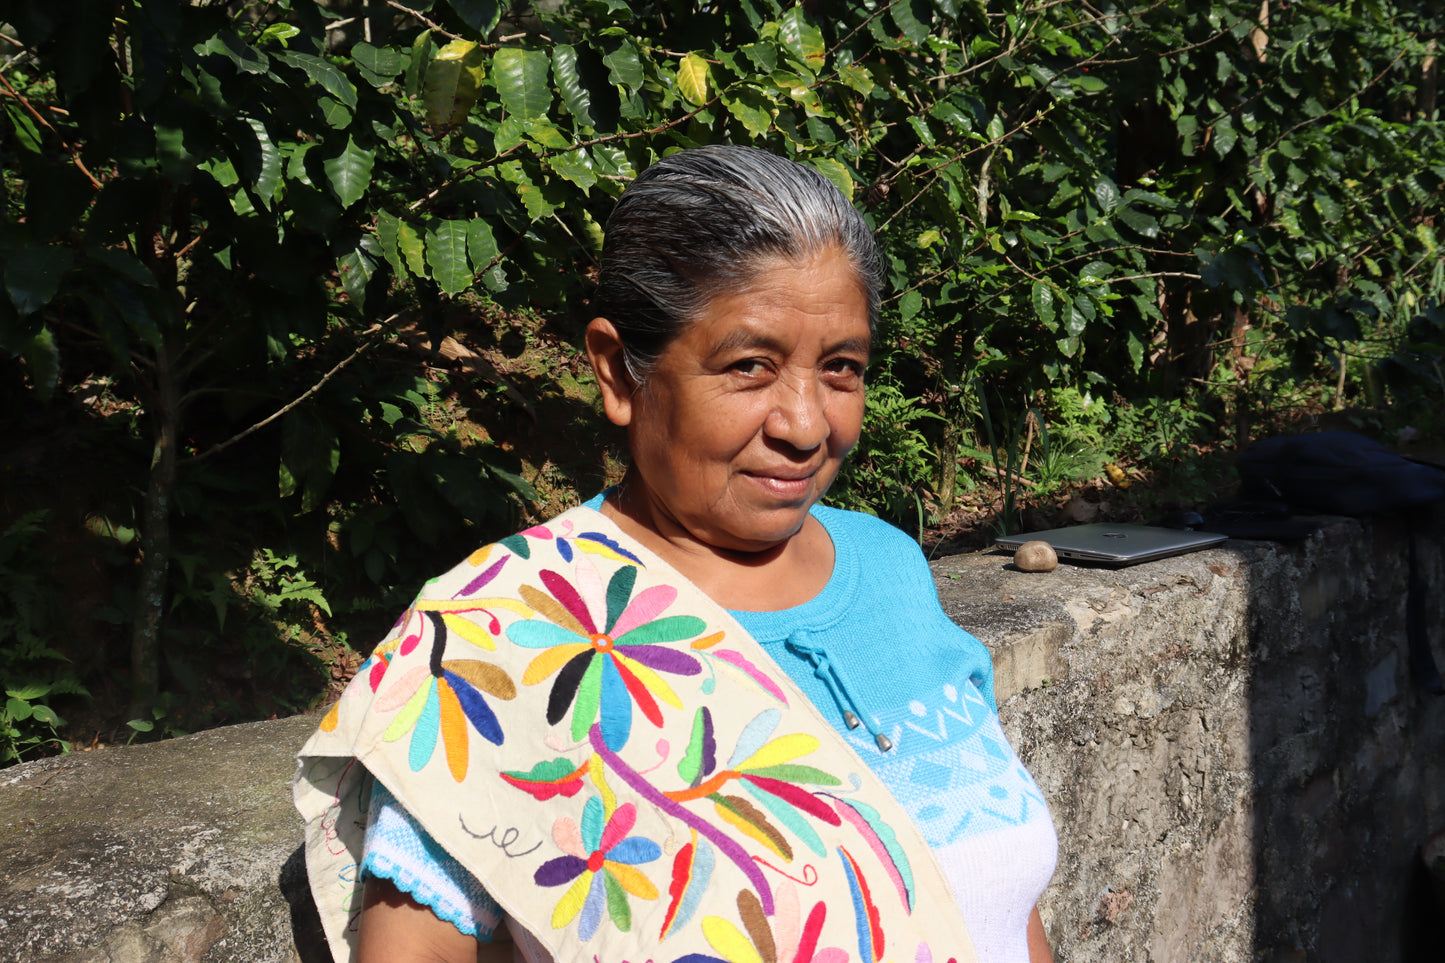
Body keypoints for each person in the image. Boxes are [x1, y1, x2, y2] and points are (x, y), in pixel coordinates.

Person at [296, 145, 1056, 963]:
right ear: (619, 372)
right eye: (749, 366)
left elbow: (1000, 913)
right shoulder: (502, 641)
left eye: (841, 369)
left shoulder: (891, 568)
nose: (805, 424)